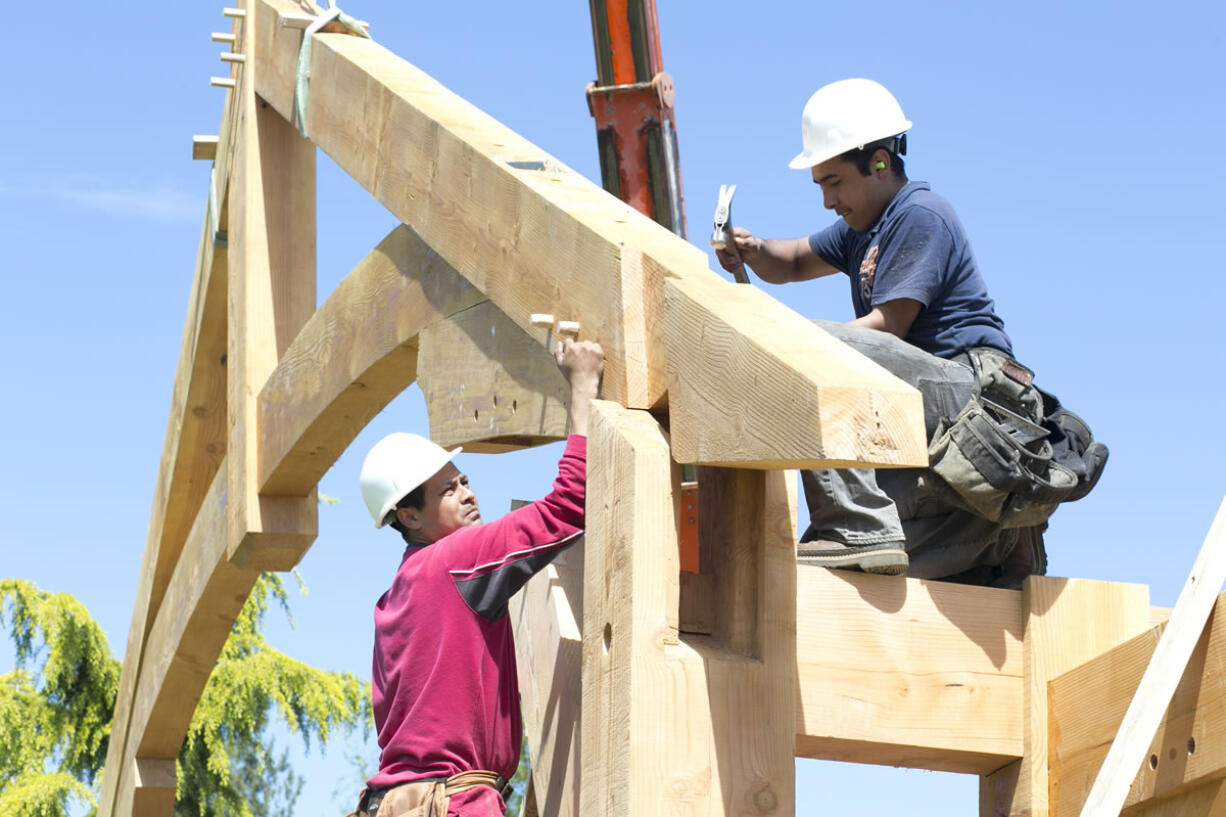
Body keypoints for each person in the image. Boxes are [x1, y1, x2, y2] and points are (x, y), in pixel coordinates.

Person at [715, 78, 1054, 583]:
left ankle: (857, 523)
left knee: (815, 347)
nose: (828, 201)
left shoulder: (919, 214)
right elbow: (792, 262)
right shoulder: (861, 228)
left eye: (834, 182)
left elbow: (889, 327)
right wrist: (753, 249)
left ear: (878, 162)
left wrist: (804, 356)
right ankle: (954, 539)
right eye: (821, 186)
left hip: (975, 391)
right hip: (928, 392)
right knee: (877, 567)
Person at [349, 337, 604, 817]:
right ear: (409, 517)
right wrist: (583, 388)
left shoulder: (393, 601)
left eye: (464, 479)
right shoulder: (454, 561)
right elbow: (570, 506)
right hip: (454, 803)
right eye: (448, 490)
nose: (467, 493)